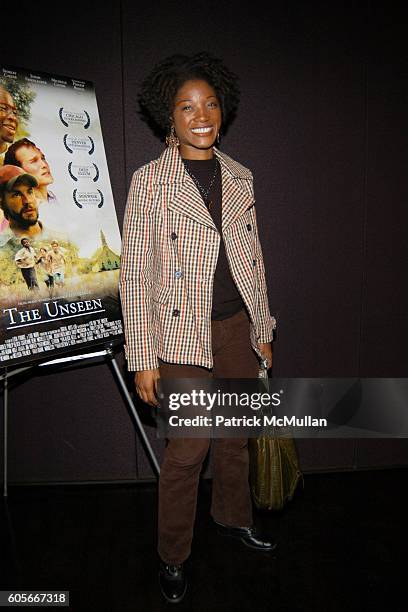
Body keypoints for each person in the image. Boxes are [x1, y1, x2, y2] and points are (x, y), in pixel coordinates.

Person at [120, 52, 277, 604]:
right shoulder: (149, 182)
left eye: (210, 103)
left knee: (235, 437)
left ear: (223, 109)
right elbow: (136, 273)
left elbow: (253, 256)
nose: (201, 114)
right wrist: (141, 355)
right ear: (170, 116)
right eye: (187, 106)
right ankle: (173, 554)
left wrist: (264, 326)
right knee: (188, 450)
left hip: (236, 327)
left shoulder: (240, 176)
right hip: (181, 336)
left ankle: (233, 518)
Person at [0, 165, 67, 247]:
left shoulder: (63, 241)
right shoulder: (2, 248)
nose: (27, 201)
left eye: (29, 191)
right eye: (17, 195)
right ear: (1, 203)